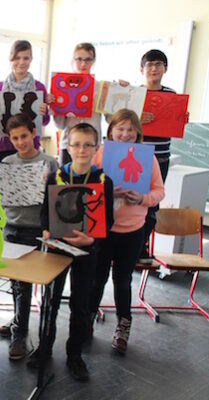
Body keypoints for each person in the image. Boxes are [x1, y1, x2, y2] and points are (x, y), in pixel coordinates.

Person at [35, 123, 114, 381]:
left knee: (81, 304)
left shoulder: (103, 181)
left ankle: (74, 355)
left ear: (96, 148)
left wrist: (91, 238)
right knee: (51, 302)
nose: (82, 150)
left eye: (88, 145)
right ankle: (44, 349)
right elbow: (45, 212)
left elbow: (107, 220)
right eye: (76, 144)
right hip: (58, 248)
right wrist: (47, 230)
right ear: (67, 147)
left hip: (87, 251)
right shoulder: (56, 177)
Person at [89, 109, 165, 354]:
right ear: (110, 130)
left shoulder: (148, 159)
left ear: (137, 134)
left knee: (122, 281)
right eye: (120, 128)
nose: (124, 134)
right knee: (97, 278)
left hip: (132, 230)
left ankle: (123, 327)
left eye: (130, 129)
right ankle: (87, 319)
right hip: (103, 228)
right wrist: (109, 192)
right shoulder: (100, 154)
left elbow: (159, 192)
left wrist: (142, 198)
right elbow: (88, 186)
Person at [0, 114, 58, 360]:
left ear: (34, 134)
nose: (20, 142)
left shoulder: (49, 162)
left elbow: (57, 201)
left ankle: (20, 332)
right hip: (10, 228)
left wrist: (47, 185)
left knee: (26, 284)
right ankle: (18, 319)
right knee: (16, 283)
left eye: (24, 136)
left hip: (36, 231)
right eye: (15, 138)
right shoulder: (6, 162)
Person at [137, 49, 178, 262]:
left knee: (153, 203)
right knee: (134, 202)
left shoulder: (172, 95)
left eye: (158, 64)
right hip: (138, 157)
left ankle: (142, 246)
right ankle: (132, 244)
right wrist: (137, 119)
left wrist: (181, 119)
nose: (154, 68)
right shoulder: (134, 95)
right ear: (141, 69)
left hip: (161, 157)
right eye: (149, 64)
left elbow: (174, 123)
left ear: (165, 68)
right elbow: (120, 124)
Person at [0, 40, 51, 162]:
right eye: (17, 58)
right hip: (4, 148)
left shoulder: (39, 87)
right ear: (11, 59)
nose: (21, 62)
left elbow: (44, 122)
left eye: (26, 58)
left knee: (29, 181)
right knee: (2, 182)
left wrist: (45, 111)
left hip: (30, 148)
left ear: (31, 59)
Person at [52, 42, 103, 165]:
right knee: (65, 182)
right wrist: (56, 106)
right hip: (69, 145)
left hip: (92, 147)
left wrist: (120, 89)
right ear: (72, 61)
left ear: (93, 61)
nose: (83, 64)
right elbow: (60, 125)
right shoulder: (62, 85)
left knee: (91, 183)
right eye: (79, 59)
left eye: (88, 60)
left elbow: (112, 119)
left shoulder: (100, 88)